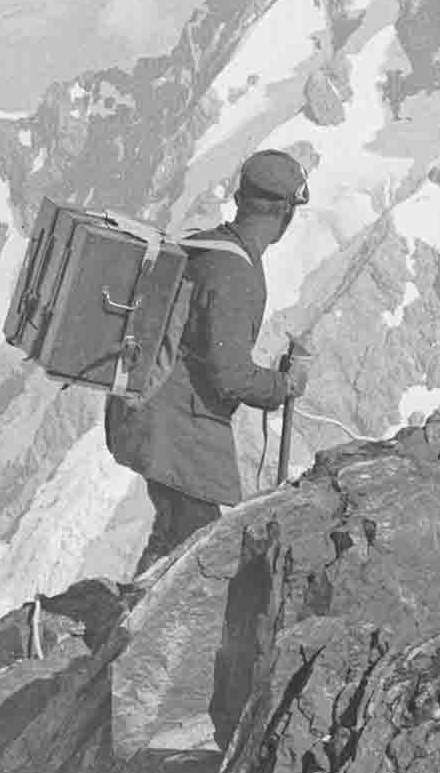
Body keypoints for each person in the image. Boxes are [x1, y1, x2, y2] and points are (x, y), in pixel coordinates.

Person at [105, 149, 313, 574]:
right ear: (286, 214)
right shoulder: (237, 275)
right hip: (177, 429)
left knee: (172, 535)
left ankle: (127, 623)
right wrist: (284, 385)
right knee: (193, 554)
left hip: (145, 411)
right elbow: (230, 377)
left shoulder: (206, 247)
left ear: (240, 198)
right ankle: (139, 633)